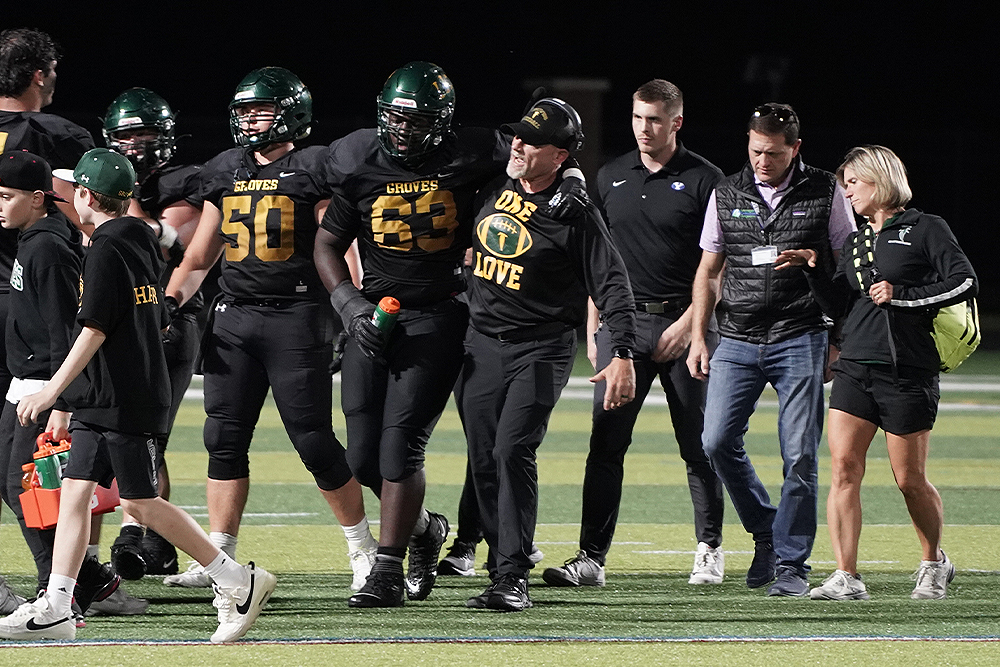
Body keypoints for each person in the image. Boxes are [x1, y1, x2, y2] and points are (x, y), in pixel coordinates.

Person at [314, 63, 588, 608]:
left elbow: (545, 149)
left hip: (440, 316)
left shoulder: (473, 150)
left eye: (416, 121)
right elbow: (326, 243)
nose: (402, 131)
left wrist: (575, 178)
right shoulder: (356, 158)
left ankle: (387, 570)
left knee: (401, 448)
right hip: (374, 316)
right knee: (362, 459)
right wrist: (349, 306)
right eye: (395, 118)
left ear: (441, 123)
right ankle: (427, 529)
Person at [0, 148, 275, 642]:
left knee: (142, 503)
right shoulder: (136, 238)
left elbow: (94, 328)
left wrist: (54, 393)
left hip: (122, 397)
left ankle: (236, 578)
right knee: (73, 495)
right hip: (104, 394)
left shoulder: (107, 247)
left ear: (86, 196)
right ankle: (58, 605)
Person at [163, 67, 376, 594]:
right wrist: (168, 302)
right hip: (234, 318)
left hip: (296, 315)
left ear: (292, 114)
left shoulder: (313, 167)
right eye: (244, 110)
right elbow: (199, 258)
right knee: (222, 438)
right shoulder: (225, 169)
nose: (249, 119)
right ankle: (220, 558)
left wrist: (349, 307)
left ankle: (363, 549)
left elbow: (339, 245)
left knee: (313, 440)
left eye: (260, 109)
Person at [542, 79, 726, 589]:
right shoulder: (609, 175)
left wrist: (690, 325)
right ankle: (591, 559)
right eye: (638, 118)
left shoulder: (706, 179)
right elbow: (597, 257)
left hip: (687, 326)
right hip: (623, 327)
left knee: (700, 444)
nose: (644, 128)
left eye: (655, 119)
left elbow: (720, 263)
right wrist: (593, 323)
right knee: (606, 444)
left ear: (676, 122)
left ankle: (709, 547)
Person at [778, 146, 977, 601]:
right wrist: (814, 271)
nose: (846, 192)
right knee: (844, 469)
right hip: (854, 367)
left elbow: (965, 280)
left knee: (909, 480)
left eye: (852, 183)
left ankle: (933, 562)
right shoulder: (855, 241)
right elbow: (841, 306)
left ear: (879, 179)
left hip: (908, 370)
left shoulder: (926, 228)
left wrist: (903, 293)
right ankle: (846, 576)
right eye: (844, 184)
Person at [461, 98, 636, 611]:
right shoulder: (495, 182)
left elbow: (613, 283)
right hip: (480, 343)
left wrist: (622, 351)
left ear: (559, 155)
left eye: (531, 140)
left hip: (539, 347)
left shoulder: (575, 212)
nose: (517, 144)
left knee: (512, 448)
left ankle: (512, 576)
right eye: (518, 135)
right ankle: (502, 563)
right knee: (483, 458)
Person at [686, 103, 855, 597]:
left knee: (799, 454)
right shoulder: (726, 191)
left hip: (801, 333)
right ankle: (766, 529)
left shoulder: (825, 190)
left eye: (774, 153)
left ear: (795, 149)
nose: (763, 161)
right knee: (715, 441)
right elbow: (709, 271)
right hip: (736, 336)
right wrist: (699, 336)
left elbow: (847, 268)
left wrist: (839, 338)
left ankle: (791, 564)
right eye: (756, 150)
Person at [0, 28, 95, 615]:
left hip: (30, 321)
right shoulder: (54, 136)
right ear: (41, 75)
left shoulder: (42, 243)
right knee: (35, 467)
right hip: (31, 312)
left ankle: (68, 583)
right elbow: (90, 212)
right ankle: (78, 577)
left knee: (30, 466)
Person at [98, 87, 203, 589]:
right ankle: (153, 543)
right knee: (130, 436)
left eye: (143, 135)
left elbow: (156, 241)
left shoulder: (186, 184)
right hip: (125, 322)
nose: (134, 145)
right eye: (125, 137)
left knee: (146, 437)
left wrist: (122, 188)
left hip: (168, 321)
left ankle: (140, 536)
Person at [0, 150, 81, 616]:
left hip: (43, 385)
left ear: (37, 198)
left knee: (27, 488)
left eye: (6, 196)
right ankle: (76, 584)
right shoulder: (32, 238)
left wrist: (61, 402)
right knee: (11, 482)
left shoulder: (48, 247)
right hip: (25, 381)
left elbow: (65, 331)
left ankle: (58, 593)